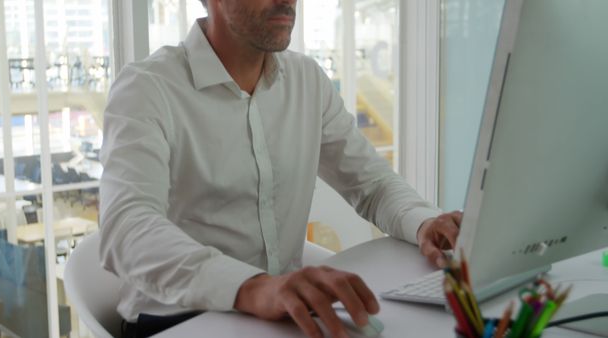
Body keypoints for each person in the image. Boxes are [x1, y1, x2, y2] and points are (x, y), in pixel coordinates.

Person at [99, 0, 461, 337]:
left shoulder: (307, 80)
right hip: (179, 320)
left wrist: (424, 222)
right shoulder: (147, 89)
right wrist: (254, 287)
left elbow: (371, 183)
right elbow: (126, 228)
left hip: (284, 309)